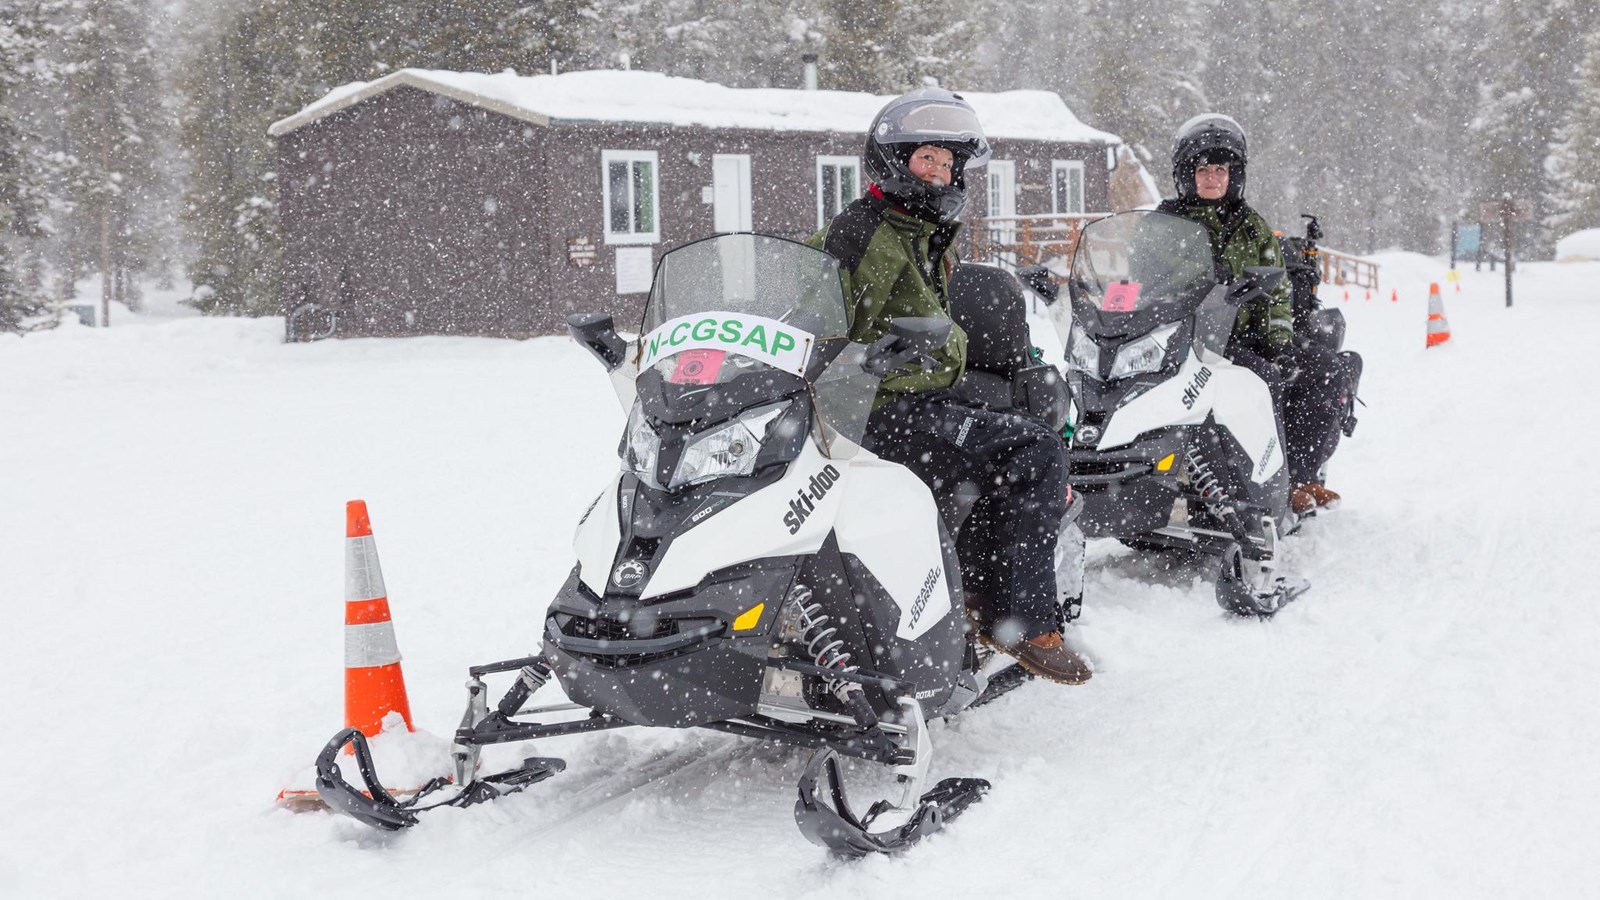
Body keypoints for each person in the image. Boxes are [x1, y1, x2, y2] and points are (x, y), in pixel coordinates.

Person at [807, 88, 1090, 685]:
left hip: (908, 395)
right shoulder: (867, 232)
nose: (938, 172)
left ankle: (966, 591)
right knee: (1035, 450)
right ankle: (1017, 618)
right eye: (925, 158)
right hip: (877, 409)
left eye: (947, 162)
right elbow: (825, 322)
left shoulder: (915, 227)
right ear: (894, 160)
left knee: (1007, 433)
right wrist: (872, 359)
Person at [1155, 113, 1339, 516]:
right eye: (1203, 169)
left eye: (1220, 169)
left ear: (1234, 174)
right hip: (1181, 339)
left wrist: (1280, 343)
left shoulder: (1252, 226)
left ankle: (1297, 476)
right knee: (1262, 381)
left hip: (1240, 338)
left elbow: (1279, 293)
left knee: (1321, 368)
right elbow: (1140, 279)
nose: (1212, 178)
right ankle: (1257, 484)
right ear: (1187, 174)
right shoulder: (1163, 224)